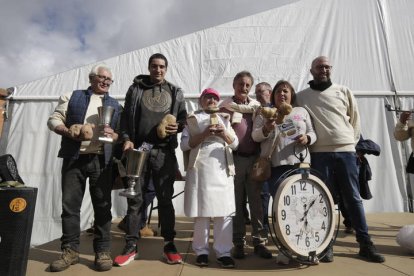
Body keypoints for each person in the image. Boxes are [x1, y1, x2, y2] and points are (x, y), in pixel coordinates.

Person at [296, 56, 385, 263]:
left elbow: (355, 120)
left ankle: (365, 244)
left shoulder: (343, 91)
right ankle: (325, 245)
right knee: (322, 200)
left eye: (327, 66)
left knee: (353, 198)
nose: (323, 70)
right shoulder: (301, 97)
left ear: (331, 69)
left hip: (346, 152)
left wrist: (351, 145)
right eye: (319, 67)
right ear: (311, 71)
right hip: (319, 154)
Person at [114, 53, 187, 266]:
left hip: (164, 153)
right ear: (149, 67)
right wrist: (126, 139)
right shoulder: (135, 89)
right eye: (154, 66)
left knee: (165, 200)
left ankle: (169, 245)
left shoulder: (175, 91)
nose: (158, 70)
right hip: (139, 151)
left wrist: (179, 126)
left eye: (162, 67)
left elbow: (183, 118)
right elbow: (126, 118)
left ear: (166, 69)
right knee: (135, 200)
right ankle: (130, 245)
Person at [47, 64, 121, 272]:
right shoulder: (72, 96)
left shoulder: (115, 105)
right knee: (70, 207)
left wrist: (112, 135)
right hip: (74, 158)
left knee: (103, 207)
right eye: (102, 77)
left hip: (100, 161)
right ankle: (70, 251)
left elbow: (119, 135)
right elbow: (53, 120)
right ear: (92, 78)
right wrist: (66, 131)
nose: (106, 82)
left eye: (109, 79)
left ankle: (102, 251)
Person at [252, 79, 317, 264]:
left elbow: (314, 132)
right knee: (284, 210)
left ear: (292, 94)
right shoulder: (266, 113)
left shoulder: (301, 111)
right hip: (277, 166)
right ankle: (286, 249)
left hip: (301, 165)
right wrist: (266, 128)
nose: (282, 94)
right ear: (273, 95)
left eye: (286, 91)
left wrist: (307, 138)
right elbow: (255, 136)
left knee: (303, 209)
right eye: (279, 91)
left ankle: (306, 249)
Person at [181, 88, 239, 268]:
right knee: (202, 213)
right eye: (208, 98)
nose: (211, 101)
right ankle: (202, 251)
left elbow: (235, 144)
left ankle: (224, 252)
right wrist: (205, 134)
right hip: (200, 170)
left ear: (218, 101)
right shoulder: (192, 119)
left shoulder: (225, 119)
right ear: (201, 101)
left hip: (222, 170)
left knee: (224, 212)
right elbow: (184, 145)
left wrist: (223, 134)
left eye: (214, 98)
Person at [219, 71, 272, 259]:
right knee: (237, 204)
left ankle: (259, 242)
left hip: (255, 159)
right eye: (241, 84)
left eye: (248, 85)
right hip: (234, 159)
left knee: (256, 203)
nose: (244, 88)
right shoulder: (224, 107)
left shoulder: (257, 107)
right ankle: (239, 243)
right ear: (234, 85)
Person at [254, 82, 272, 234]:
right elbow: (255, 136)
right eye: (257, 92)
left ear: (270, 92)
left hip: (281, 161)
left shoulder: (282, 107)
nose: (259, 95)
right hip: (264, 160)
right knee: (263, 196)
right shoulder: (259, 112)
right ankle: (264, 228)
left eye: (262, 91)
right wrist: (264, 129)